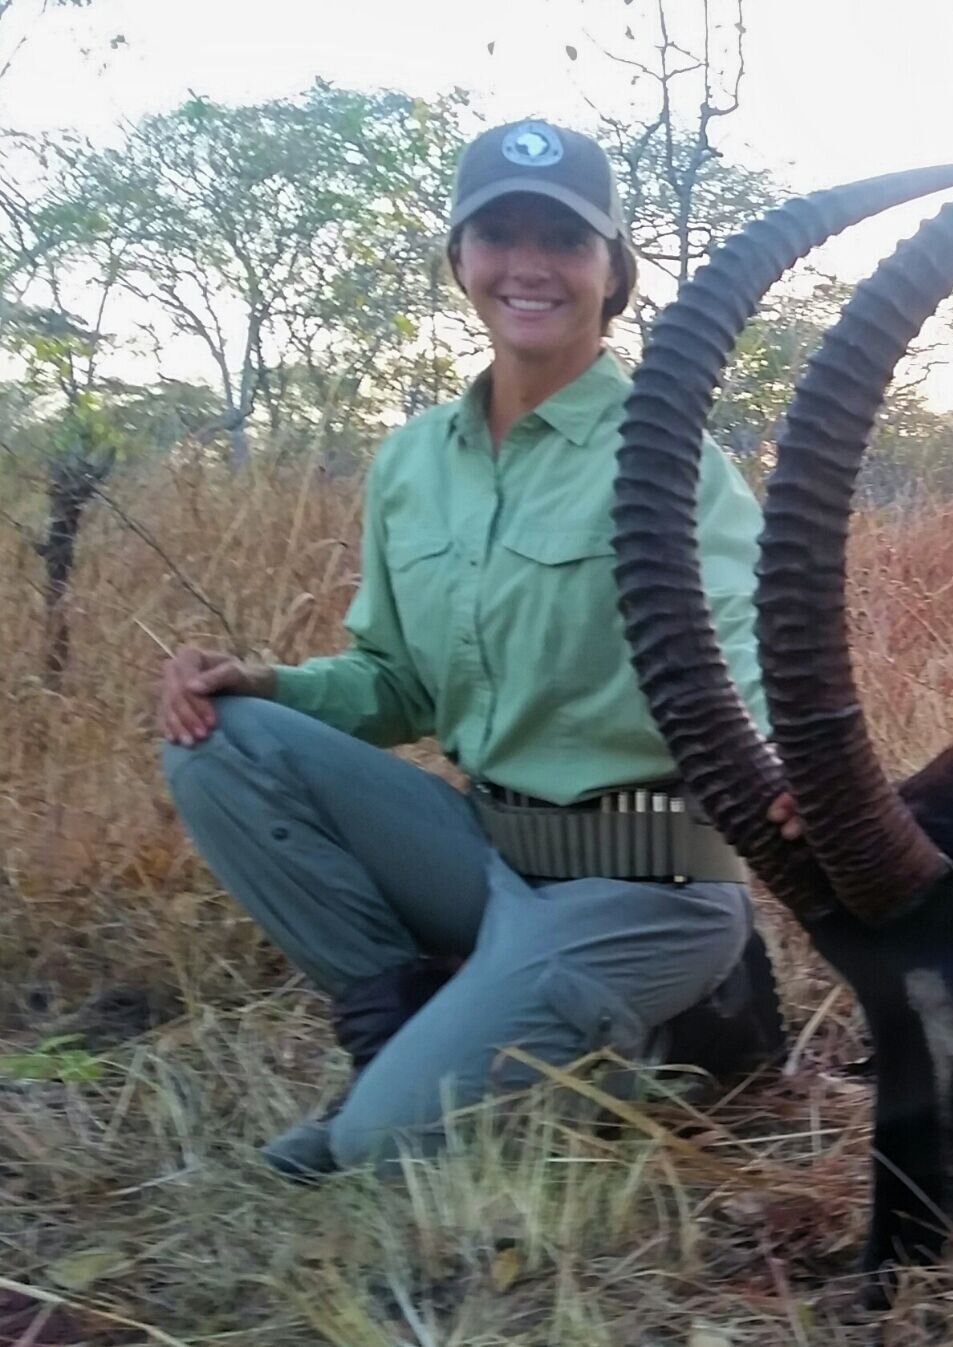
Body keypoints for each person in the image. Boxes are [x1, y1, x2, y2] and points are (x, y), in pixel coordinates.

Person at [157, 118, 796, 1178]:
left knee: (369, 1155)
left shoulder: (669, 455)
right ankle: (406, 1029)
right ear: (459, 258)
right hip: (493, 857)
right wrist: (265, 682)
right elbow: (395, 683)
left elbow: (745, 659)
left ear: (612, 270)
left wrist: (776, 768)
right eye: (498, 232)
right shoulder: (413, 459)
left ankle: (673, 1035)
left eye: (565, 238)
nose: (529, 264)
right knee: (218, 742)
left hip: (646, 878)